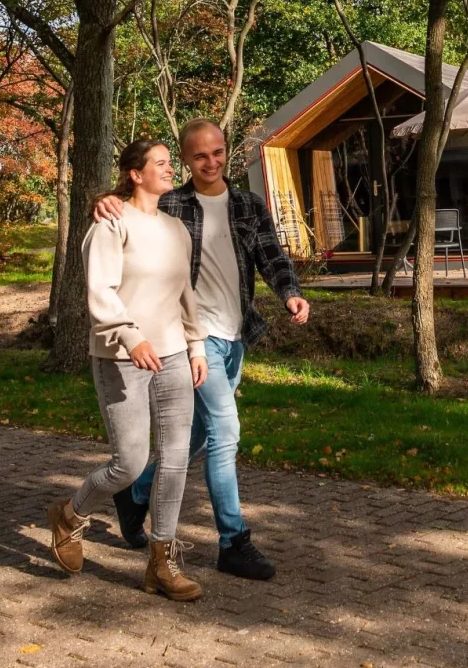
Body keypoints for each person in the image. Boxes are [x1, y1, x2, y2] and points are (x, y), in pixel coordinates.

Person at [93, 118, 309, 581]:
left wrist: (289, 291)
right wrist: (103, 199)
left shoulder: (249, 204)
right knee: (226, 432)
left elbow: (271, 254)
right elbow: (131, 204)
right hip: (193, 337)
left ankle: (136, 495)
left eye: (217, 152)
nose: (210, 162)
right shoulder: (171, 203)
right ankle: (233, 541)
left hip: (235, 335)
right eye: (198, 156)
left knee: (198, 435)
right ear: (186, 160)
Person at [48, 138, 209, 602]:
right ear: (135, 174)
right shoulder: (111, 222)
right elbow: (99, 288)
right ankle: (71, 515)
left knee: (177, 457)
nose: (169, 169)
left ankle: (162, 561)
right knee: (130, 463)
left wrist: (195, 345)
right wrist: (130, 335)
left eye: (168, 163)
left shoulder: (177, 229)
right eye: (159, 163)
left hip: (174, 353)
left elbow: (185, 293)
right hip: (122, 355)